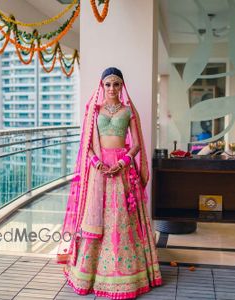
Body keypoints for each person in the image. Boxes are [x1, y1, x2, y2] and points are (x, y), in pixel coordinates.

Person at [56, 67, 163, 299]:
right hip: (100, 171)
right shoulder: (93, 110)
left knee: (122, 217)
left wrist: (125, 161)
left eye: (116, 84)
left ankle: (128, 276)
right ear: (102, 86)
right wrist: (95, 162)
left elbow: (136, 144)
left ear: (122, 86)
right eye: (108, 84)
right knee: (98, 218)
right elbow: (87, 143)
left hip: (122, 170)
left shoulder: (128, 111)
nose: (112, 88)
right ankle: (91, 274)